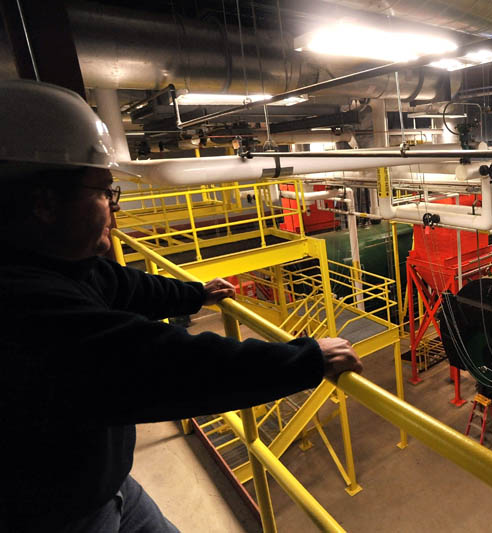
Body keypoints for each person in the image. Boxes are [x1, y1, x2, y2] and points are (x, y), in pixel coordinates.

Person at [0, 79, 363, 532]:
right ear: (44, 204)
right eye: (103, 193)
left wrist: (195, 294)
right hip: (56, 517)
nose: (114, 212)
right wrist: (304, 359)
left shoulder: (52, 263)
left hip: (104, 487)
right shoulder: (19, 305)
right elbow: (157, 362)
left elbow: (123, 284)